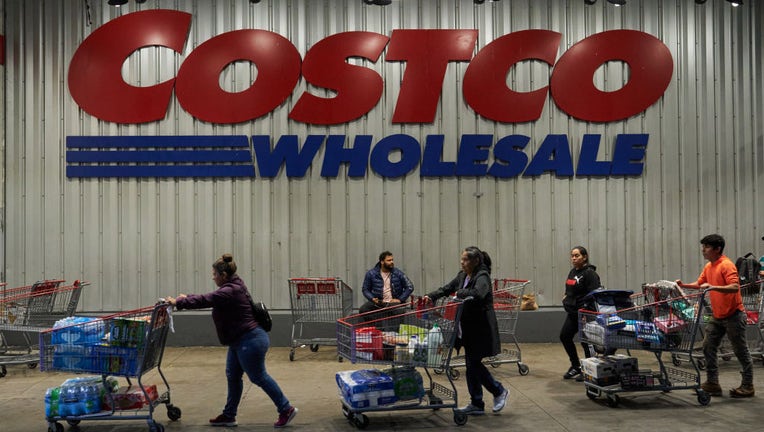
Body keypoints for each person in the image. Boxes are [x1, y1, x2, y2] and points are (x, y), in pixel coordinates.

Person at [166, 254, 299, 427]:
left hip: (249, 341)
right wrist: (186, 298)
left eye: (214, 274)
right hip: (240, 341)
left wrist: (179, 302)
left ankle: (286, 409)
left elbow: (208, 299)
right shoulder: (233, 286)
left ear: (223, 275)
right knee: (233, 376)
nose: (212, 277)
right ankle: (229, 415)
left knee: (258, 376)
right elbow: (212, 297)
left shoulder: (230, 290)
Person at [422, 246, 509, 415]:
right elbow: (448, 288)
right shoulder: (463, 275)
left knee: (473, 364)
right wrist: (432, 296)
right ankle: (477, 403)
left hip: (480, 328)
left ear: (475, 261)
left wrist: (459, 293)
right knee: (472, 365)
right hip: (467, 327)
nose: (462, 262)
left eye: (465, 259)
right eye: (461, 259)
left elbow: (478, 294)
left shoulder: (482, 276)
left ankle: (498, 391)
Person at [676, 234, 755, 398]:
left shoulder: (726, 265)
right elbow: (699, 284)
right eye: (703, 246)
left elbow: (734, 287)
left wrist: (713, 286)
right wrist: (682, 285)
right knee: (708, 346)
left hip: (734, 315)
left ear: (717, 249)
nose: (703, 250)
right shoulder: (709, 266)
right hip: (718, 316)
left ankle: (748, 386)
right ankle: (712, 383)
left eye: (706, 247)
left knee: (740, 350)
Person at [560, 246, 600, 381]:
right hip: (572, 313)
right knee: (565, 336)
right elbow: (570, 289)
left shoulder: (590, 273)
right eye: (572, 256)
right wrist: (566, 296)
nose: (574, 258)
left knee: (586, 341)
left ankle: (589, 370)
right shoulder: (573, 272)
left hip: (585, 313)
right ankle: (576, 366)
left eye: (577, 255)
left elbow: (594, 293)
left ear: (584, 257)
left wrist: (585, 308)